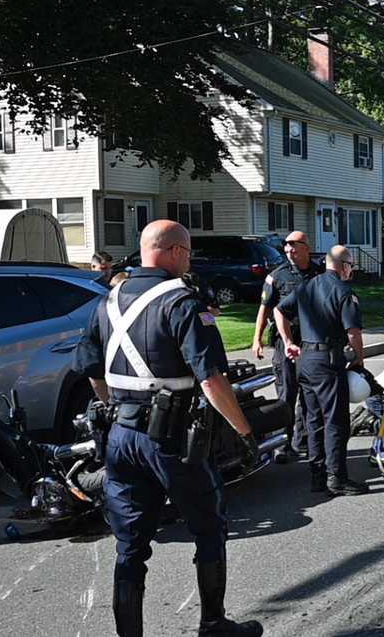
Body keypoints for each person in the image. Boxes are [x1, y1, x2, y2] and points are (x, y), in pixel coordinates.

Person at [72, 220, 262, 637]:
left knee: (130, 545)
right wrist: (245, 434)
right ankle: (213, 624)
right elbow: (212, 381)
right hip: (173, 437)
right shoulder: (182, 302)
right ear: (175, 251)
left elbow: (91, 369)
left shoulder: (108, 301)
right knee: (209, 526)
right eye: (189, 252)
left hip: (122, 437)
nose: (189, 260)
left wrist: (115, 404)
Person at [275, 245, 369, 497]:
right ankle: (336, 477)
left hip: (306, 359)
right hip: (328, 361)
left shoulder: (306, 287)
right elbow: (353, 333)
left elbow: (279, 310)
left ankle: (317, 476)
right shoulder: (344, 292)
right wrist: (359, 360)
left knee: (313, 419)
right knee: (336, 421)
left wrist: (288, 342)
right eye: (351, 265)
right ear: (344, 266)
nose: (352, 270)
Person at [252, 231, 322, 464]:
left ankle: (301, 441)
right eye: (287, 247)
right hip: (286, 342)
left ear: (306, 247)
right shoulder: (277, 276)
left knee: (310, 394)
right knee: (287, 393)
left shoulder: (319, 273)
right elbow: (265, 308)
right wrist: (257, 338)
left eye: (294, 246)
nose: (289, 251)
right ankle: (284, 443)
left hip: (312, 342)